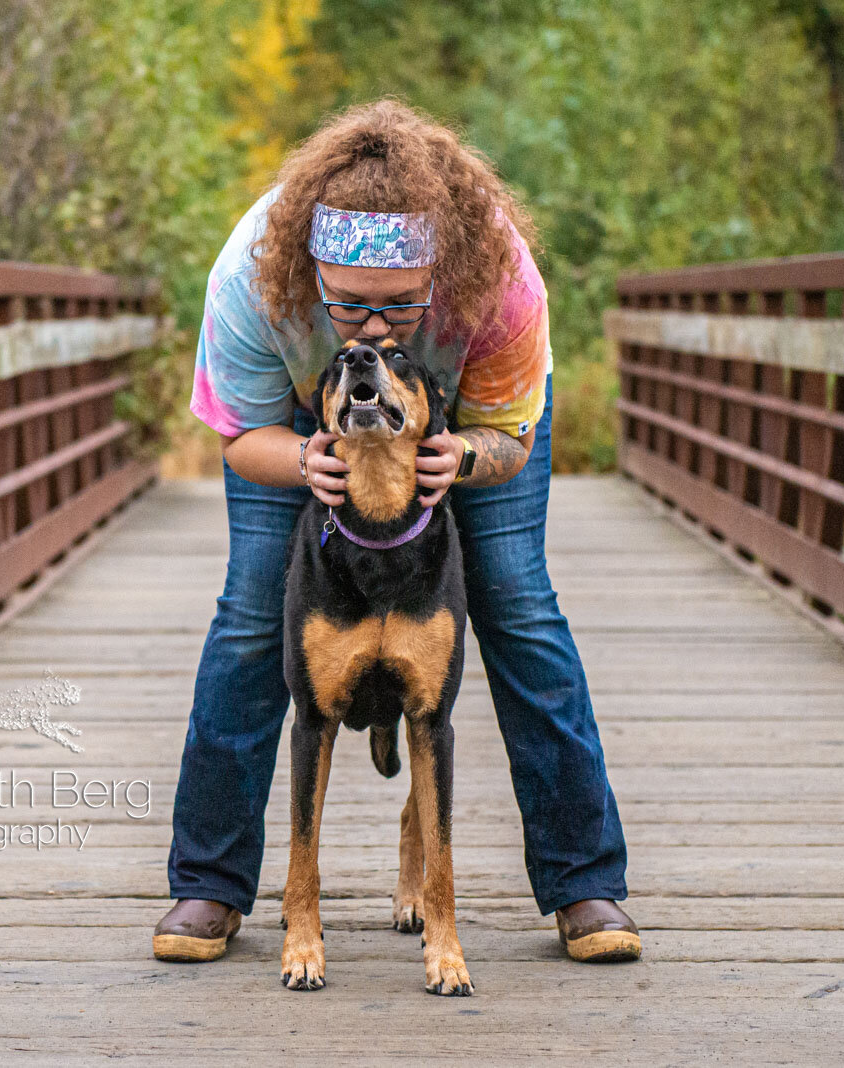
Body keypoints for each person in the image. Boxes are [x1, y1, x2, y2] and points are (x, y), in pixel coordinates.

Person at [155, 99, 640, 967]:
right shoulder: (247, 277)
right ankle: (210, 884)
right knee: (249, 618)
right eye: (349, 308)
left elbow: (512, 438)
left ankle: (582, 881)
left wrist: (460, 459)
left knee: (520, 607)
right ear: (312, 273)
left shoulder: (502, 280)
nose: (375, 329)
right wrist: (307, 460)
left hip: (471, 426)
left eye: (401, 308)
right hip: (296, 433)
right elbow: (237, 437)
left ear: (438, 277)